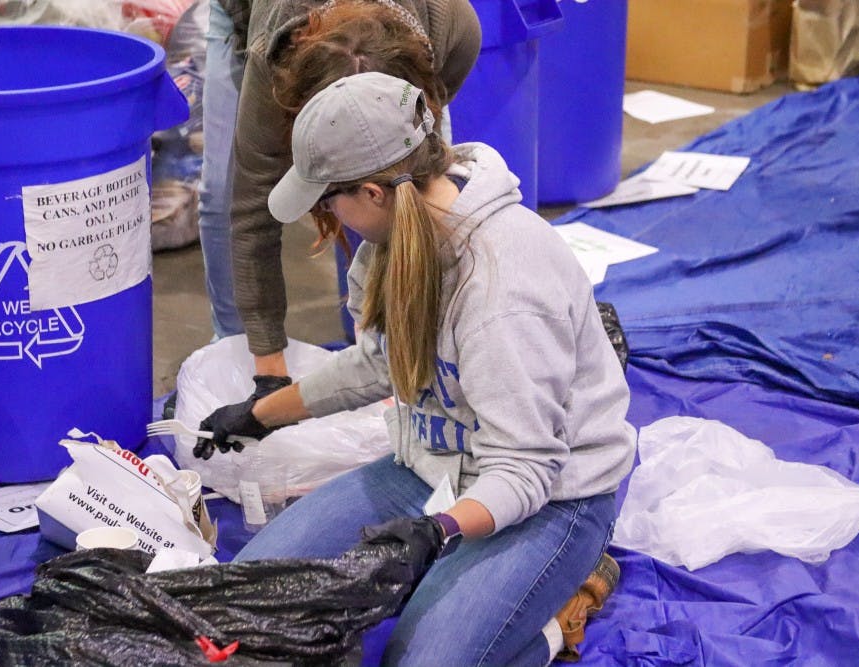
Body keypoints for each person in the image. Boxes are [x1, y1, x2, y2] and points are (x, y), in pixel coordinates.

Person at [196, 72, 637, 665]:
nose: (327, 215)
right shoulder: (389, 245)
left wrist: (440, 532)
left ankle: (560, 613)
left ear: (373, 194)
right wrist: (261, 413)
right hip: (430, 467)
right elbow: (383, 362)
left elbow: (527, 468)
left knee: (420, 661)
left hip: (551, 497)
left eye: (329, 200)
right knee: (248, 603)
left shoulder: (501, 293)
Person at [223, 0, 481, 400]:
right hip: (257, 21)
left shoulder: (452, 24)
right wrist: (269, 375)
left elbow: (408, 172)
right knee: (218, 194)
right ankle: (233, 348)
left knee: (407, 200)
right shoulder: (270, 64)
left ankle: (422, 348)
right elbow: (252, 209)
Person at [198, 0, 249, 340]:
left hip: (357, 17)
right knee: (222, 193)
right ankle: (232, 342)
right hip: (241, 18)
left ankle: (399, 333)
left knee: (375, 171)